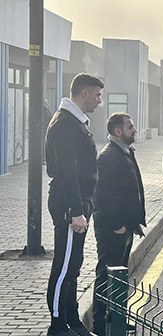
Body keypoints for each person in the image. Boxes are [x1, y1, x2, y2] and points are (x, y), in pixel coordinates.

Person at [45, 73, 103, 336]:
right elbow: (68, 171)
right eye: (97, 94)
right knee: (64, 264)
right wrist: (76, 211)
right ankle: (57, 325)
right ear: (84, 93)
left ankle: (72, 320)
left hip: (78, 202)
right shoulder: (65, 124)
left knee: (74, 263)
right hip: (70, 204)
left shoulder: (75, 122)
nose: (99, 100)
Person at [91, 113, 146, 336]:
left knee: (119, 276)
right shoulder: (108, 156)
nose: (134, 129)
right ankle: (99, 326)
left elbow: (131, 191)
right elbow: (102, 195)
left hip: (125, 226)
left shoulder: (125, 152)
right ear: (118, 131)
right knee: (106, 275)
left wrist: (135, 223)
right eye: (130, 126)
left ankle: (117, 321)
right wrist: (116, 225)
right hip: (112, 228)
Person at [42, 99, 53, 164]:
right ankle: (43, 159)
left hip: (46, 130)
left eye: (46, 103)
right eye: (45, 103)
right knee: (43, 145)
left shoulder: (46, 111)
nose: (46, 104)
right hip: (44, 130)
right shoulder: (44, 111)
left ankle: (44, 158)